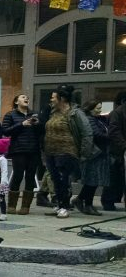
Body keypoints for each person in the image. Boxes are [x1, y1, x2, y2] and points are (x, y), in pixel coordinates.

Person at [44, 85, 92, 218]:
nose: (51, 100)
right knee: (55, 180)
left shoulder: (75, 113)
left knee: (63, 179)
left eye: (54, 98)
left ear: (62, 99)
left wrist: (84, 154)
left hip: (66, 151)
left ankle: (65, 206)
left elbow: (87, 133)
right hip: (50, 151)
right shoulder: (53, 112)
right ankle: (59, 204)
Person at [1, 93, 42, 215]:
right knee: (18, 176)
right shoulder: (10, 115)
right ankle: (12, 205)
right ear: (16, 102)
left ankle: (25, 207)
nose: (26, 99)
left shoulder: (34, 115)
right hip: (18, 150)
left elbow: (41, 132)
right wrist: (21, 124)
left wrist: (38, 124)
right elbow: (5, 131)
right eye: (23, 97)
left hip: (33, 150)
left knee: (30, 177)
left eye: (27, 98)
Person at [74, 100, 109, 216]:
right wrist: (110, 137)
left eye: (100, 108)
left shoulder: (99, 120)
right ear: (90, 109)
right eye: (97, 108)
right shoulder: (89, 120)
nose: (99, 110)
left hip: (100, 153)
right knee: (92, 181)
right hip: (94, 153)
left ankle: (82, 201)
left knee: (94, 181)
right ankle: (86, 203)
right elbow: (96, 134)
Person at [104, 92, 126, 211]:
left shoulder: (118, 112)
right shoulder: (118, 113)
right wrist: (124, 146)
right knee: (114, 177)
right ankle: (108, 201)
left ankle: (111, 200)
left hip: (120, 149)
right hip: (117, 151)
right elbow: (114, 131)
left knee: (117, 177)